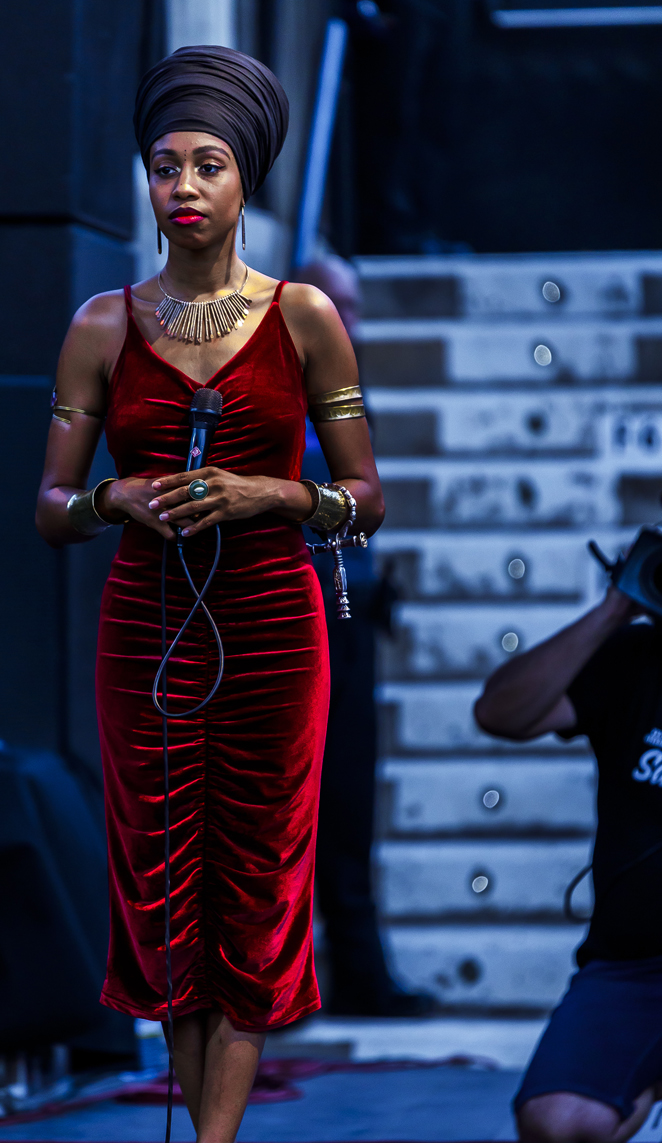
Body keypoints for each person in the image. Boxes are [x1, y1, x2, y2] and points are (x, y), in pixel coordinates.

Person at [36, 46, 383, 1143]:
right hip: (145, 629)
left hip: (275, 626)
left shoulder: (303, 316)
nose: (181, 186)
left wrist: (274, 494)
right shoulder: (101, 324)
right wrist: (112, 499)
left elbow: (364, 496)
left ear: (247, 183)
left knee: (255, 897)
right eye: (164, 165)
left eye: (207, 165)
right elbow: (49, 507)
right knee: (165, 903)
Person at [474, 576, 662, 1143]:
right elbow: (501, 713)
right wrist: (615, 608)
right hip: (634, 966)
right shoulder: (634, 656)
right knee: (553, 1125)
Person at [295, 253, 432, 1017]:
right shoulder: (271, 386)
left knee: (348, 800)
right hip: (291, 622)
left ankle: (359, 973)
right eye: (338, 305)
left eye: (354, 307)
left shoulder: (344, 389)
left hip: (345, 616)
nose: (353, 322)